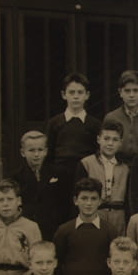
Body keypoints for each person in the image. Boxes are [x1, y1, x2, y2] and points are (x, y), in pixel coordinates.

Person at [44, 72, 102, 220]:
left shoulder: (94, 124)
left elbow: (97, 153)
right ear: (64, 95)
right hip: (61, 177)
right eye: (72, 92)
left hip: (85, 175)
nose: (76, 96)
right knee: (61, 214)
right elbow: (49, 153)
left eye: (80, 92)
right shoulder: (55, 123)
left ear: (87, 95)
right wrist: (51, 176)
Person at [53, 178, 118, 275]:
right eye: (84, 198)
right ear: (75, 200)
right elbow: (57, 262)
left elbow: (114, 262)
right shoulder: (64, 231)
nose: (89, 203)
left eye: (93, 199)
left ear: (100, 201)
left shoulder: (110, 231)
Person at [74, 120, 130, 235]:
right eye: (106, 138)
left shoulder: (125, 167)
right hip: (94, 215)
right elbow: (78, 194)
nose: (110, 143)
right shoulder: (86, 163)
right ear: (99, 139)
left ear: (121, 142)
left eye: (115, 140)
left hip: (118, 217)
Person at [11, 130, 65, 240]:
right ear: (22, 152)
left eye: (40, 150)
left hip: (53, 228)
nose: (36, 154)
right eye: (31, 150)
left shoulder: (57, 173)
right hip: (27, 229)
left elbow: (64, 202)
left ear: (46, 151)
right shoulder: (16, 177)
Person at [103, 69, 138, 164]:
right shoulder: (111, 118)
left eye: (135, 90)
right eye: (127, 91)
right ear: (120, 92)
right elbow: (105, 149)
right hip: (117, 166)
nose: (131, 95)